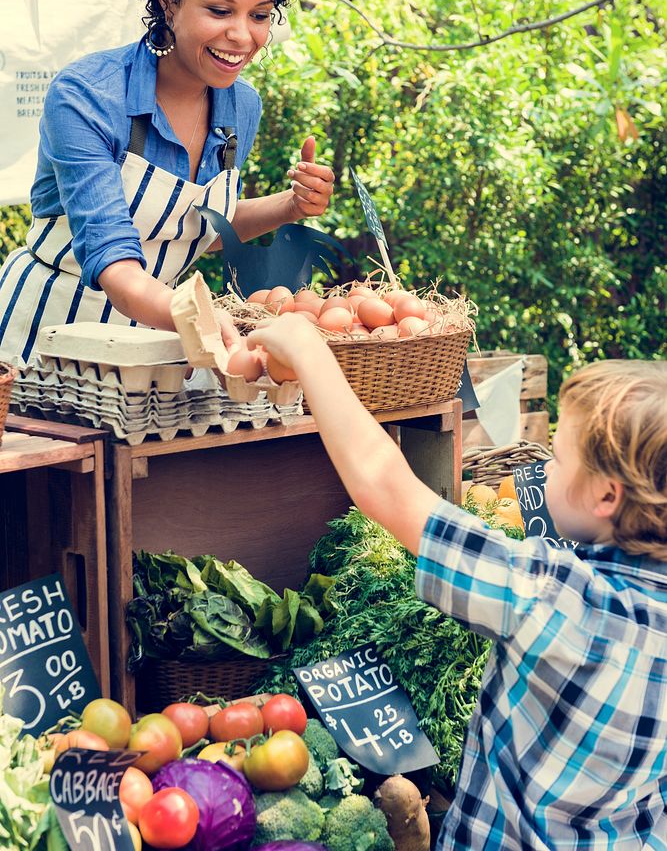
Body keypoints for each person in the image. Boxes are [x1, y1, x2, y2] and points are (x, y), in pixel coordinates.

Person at [248, 312, 667, 850]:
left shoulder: (555, 595)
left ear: (607, 496)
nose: (546, 469)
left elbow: (387, 487)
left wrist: (310, 351)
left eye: (559, 457)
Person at [0, 0, 334, 364]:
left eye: (259, 15)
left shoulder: (242, 107)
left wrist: (290, 206)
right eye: (219, 11)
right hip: (48, 339)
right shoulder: (87, 97)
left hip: (158, 345)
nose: (242, 35)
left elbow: (189, 233)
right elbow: (114, 261)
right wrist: (193, 311)